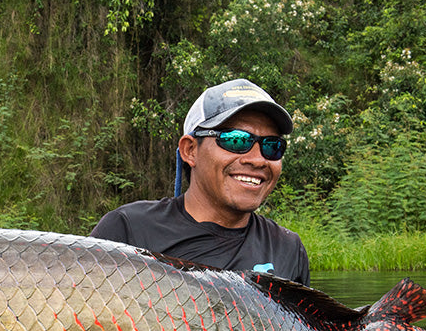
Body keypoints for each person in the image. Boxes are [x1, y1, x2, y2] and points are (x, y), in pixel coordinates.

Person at [91, 78, 310, 285]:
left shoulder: (287, 248)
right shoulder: (127, 229)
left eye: (272, 146)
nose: (257, 159)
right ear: (190, 150)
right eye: (236, 140)